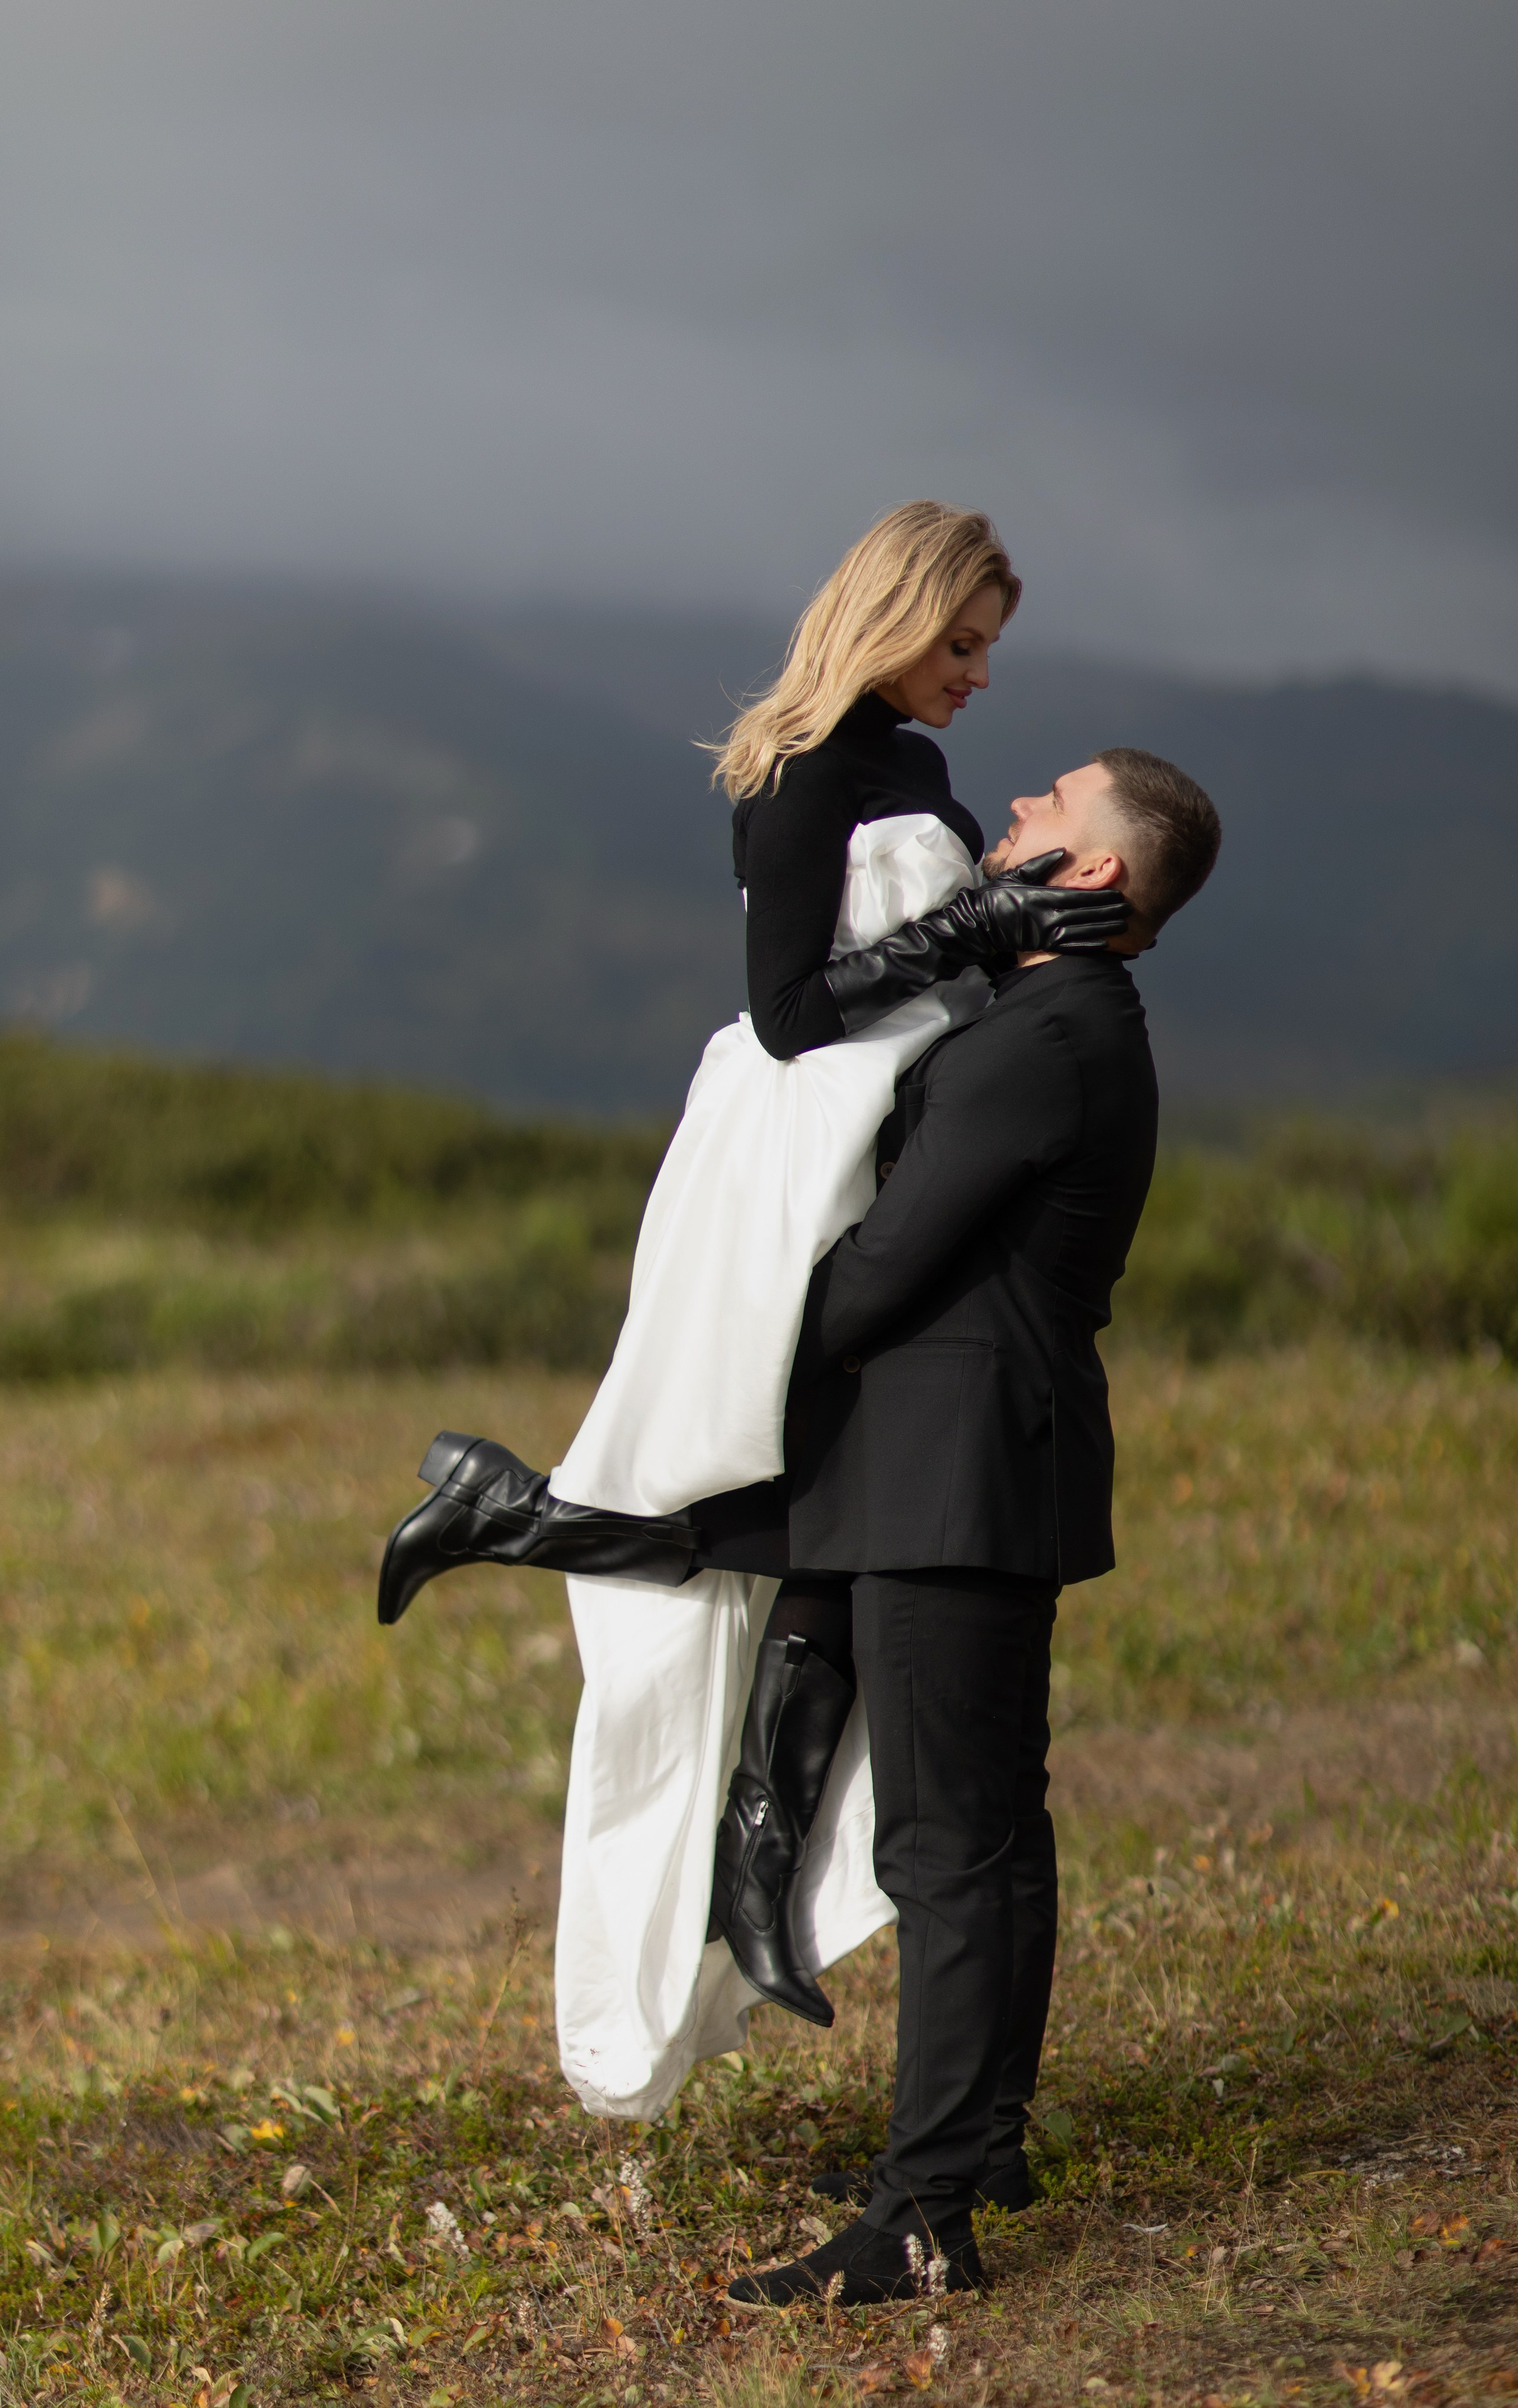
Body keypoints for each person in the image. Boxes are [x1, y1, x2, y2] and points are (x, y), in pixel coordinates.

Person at [375, 505, 1125, 2117]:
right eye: (961, 643)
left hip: (891, 1125)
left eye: (987, 648)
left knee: (832, 1494)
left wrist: (1007, 973)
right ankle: (542, 1548)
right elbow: (787, 1015)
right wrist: (975, 930)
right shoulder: (794, 778)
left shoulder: (915, 766)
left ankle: (742, 1834)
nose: (979, 676)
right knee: (791, 1481)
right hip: (798, 1143)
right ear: (895, 618)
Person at [719, 747, 1221, 2308]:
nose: (1008, 819)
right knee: (993, 1832)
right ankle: (975, 2151)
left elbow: (881, 1269)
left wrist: (733, 1331)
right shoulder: (1068, 1024)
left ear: (1093, 874)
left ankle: (921, 2216)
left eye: (1043, 813)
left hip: (950, 1477)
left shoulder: (1039, 1042)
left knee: (944, 1848)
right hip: (983, 1465)